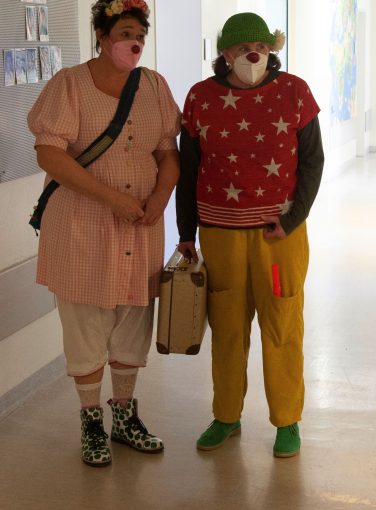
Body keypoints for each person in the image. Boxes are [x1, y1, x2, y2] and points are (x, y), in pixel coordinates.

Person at [27, 0, 180, 467]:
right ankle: (91, 420)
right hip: (81, 226)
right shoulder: (69, 85)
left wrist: (161, 199)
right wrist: (111, 197)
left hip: (140, 228)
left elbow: (167, 151)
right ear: (101, 34)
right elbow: (50, 154)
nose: (134, 42)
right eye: (125, 32)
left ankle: (126, 416)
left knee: (134, 319)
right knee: (87, 323)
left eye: (140, 34)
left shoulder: (154, 86)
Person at [176, 12, 324, 458]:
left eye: (259, 47)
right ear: (224, 53)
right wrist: (185, 233)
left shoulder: (295, 92)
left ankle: (287, 420)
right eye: (240, 49)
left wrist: (294, 217)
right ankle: (226, 415)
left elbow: (314, 162)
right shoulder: (200, 97)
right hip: (220, 233)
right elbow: (188, 170)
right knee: (227, 328)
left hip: (279, 236)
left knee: (282, 325)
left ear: (272, 50)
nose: (251, 55)